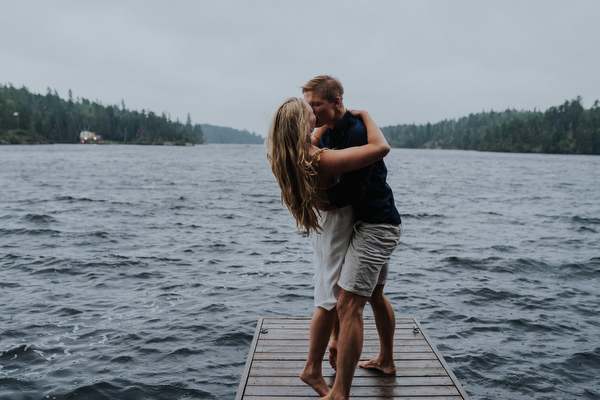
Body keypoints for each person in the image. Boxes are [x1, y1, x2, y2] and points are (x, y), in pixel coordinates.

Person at [265, 96, 391, 397]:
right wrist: (367, 116)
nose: (315, 114)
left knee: (330, 289)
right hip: (337, 225)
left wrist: (325, 123)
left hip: (326, 224)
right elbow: (379, 149)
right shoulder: (320, 158)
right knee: (329, 299)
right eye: (310, 111)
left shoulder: (289, 153)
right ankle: (312, 368)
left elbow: (317, 133)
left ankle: (332, 348)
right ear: (302, 124)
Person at [303, 75, 402, 400]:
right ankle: (386, 361)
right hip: (376, 222)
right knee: (373, 295)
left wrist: (321, 201)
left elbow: (354, 190)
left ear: (336, 101)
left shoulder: (358, 132)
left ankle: (340, 392)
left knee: (348, 305)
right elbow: (314, 142)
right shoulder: (331, 129)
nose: (311, 109)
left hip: (376, 225)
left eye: (316, 103)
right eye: (308, 104)